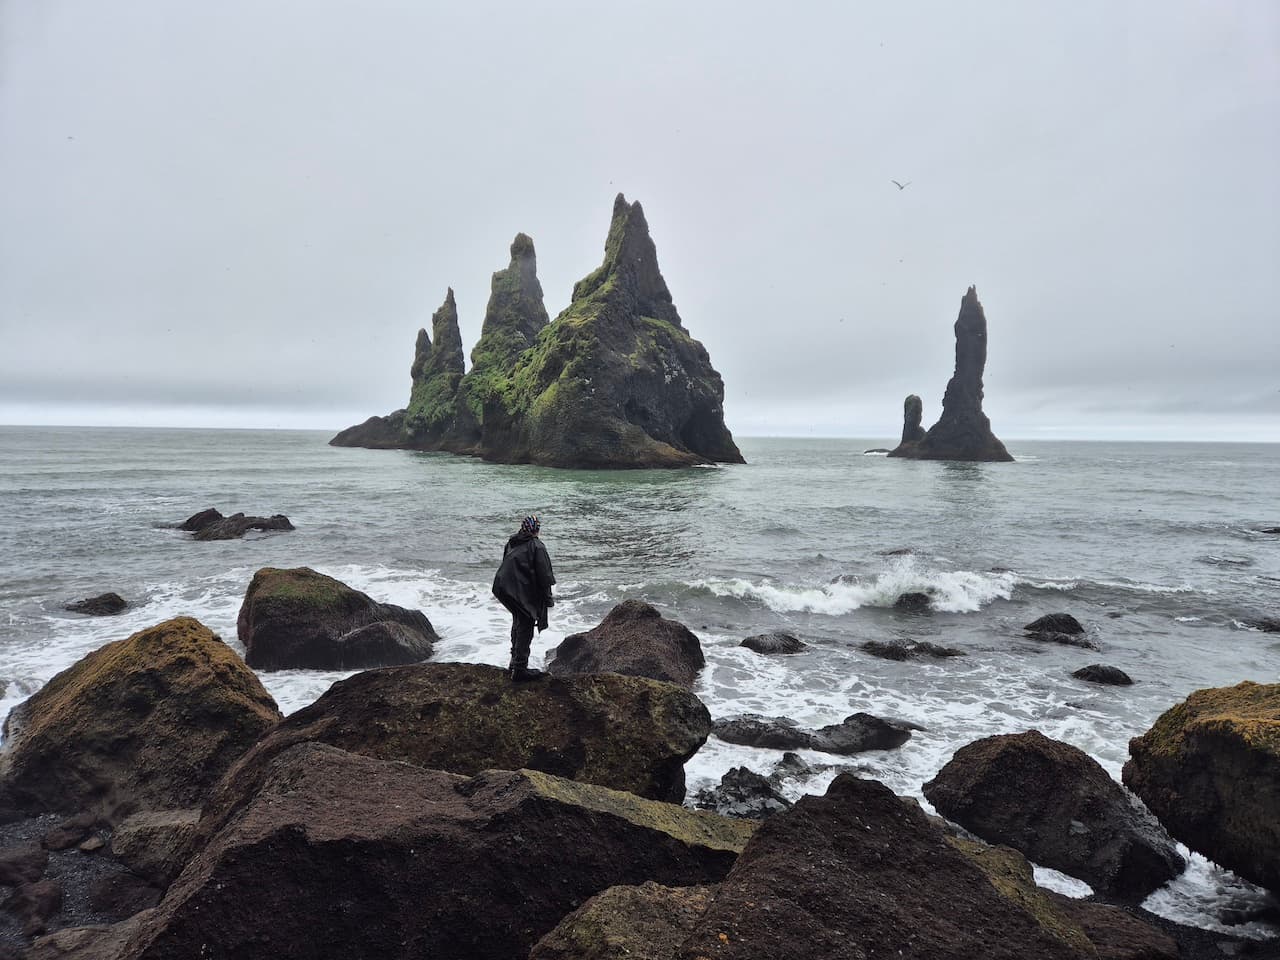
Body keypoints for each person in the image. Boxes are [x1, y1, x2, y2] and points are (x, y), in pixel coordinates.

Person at [492, 515, 555, 681]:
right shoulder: (537, 546)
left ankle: (514, 662)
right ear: (537, 530)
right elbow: (545, 576)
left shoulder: (512, 541)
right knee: (526, 623)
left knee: (519, 619)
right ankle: (520, 669)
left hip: (501, 587)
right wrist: (548, 600)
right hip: (515, 589)